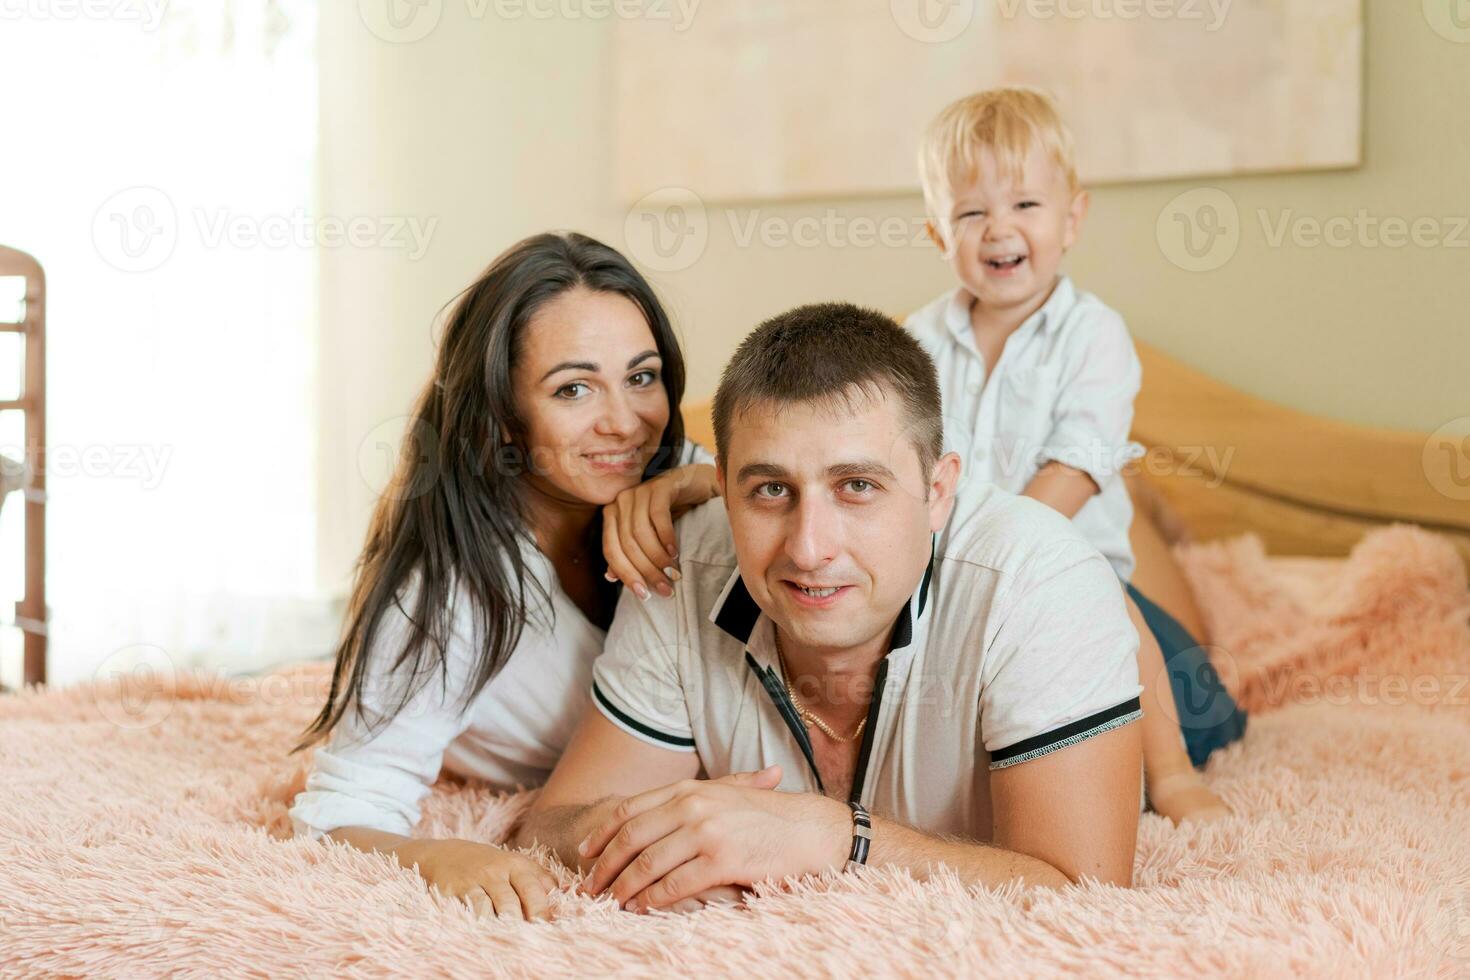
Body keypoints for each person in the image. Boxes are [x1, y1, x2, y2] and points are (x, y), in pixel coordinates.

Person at [514, 303, 1146, 913]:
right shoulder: (682, 563)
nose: (809, 549)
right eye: (770, 490)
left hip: (1123, 677)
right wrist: (664, 838)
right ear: (723, 487)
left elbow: (1084, 896)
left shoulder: (1040, 581)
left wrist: (833, 838)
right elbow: (549, 827)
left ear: (937, 491)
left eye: (857, 486)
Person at [288, 232, 720, 921]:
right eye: (574, 388)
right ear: (503, 418)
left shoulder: (683, 483)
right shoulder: (446, 595)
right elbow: (334, 813)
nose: (625, 423)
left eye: (642, 377)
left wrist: (704, 480)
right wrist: (437, 857)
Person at [907, 88, 1246, 823]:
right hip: (952, 566)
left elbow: (1079, 465)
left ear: (1073, 219)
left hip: (1065, 558)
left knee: (1113, 614)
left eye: (1026, 205)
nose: (1000, 228)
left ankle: (1175, 771)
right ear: (939, 233)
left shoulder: (1094, 336)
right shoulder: (918, 342)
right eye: (971, 213)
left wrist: (1003, 550)